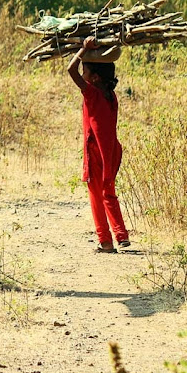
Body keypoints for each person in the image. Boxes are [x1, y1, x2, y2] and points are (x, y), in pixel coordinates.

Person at [67, 37, 130, 253]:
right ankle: (121, 235)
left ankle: (105, 242)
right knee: (108, 192)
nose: (83, 74)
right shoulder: (110, 95)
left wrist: (83, 49)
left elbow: (70, 70)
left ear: (93, 78)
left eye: (86, 71)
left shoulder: (92, 93)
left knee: (96, 195)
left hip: (96, 152)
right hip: (111, 151)